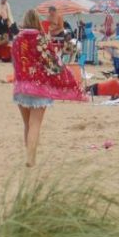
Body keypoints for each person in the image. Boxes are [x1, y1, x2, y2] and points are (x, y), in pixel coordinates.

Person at [11, 9, 85, 168]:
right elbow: (53, 62)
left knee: (27, 125)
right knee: (35, 124)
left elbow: (15, 62)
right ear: (37, 21)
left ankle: (30, 156)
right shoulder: (41, 39)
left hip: (21, 86)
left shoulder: (17, 39)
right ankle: (31, 158)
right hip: (39, 88)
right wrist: (66, 77)